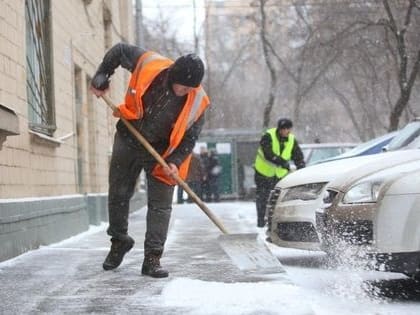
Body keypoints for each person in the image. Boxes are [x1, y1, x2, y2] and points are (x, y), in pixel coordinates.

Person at [90, 42, 210, 278]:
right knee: (118, 192)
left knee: (161, 205)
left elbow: (190, 138)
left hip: (163, 153)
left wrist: (175, 160)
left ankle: (152, 258)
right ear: (173, 75)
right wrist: (102, 75)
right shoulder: (150, 64)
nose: (185, 91)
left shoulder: (198, 101)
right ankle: (119, 241)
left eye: (190, 88)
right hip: (129, 134)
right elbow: (120, 51)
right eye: (182, 86)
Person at [254, 118, 305, 228]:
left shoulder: (291, 139)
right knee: (262, 197)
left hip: (279, 175)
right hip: (263, 173)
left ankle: (274, 223)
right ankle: (261, 222)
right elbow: (268, 154)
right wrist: (282, 162)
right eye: (285, 129)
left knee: (277, 199)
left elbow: (298, 156)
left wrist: (301, 169)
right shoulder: (268, 136)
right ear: (280, 129)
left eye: (289, 129)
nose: (287, 131)